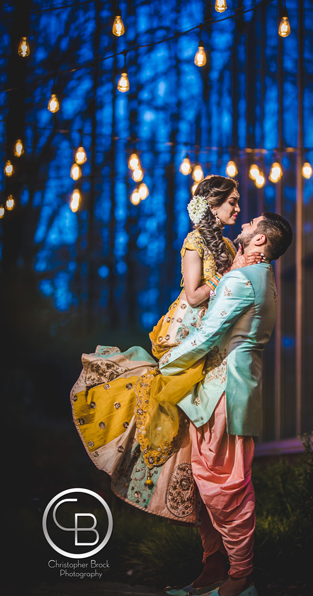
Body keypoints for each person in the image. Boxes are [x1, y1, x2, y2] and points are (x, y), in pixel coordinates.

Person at [70, 176, 262, 525]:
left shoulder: (230, 248)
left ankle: (198, 498)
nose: (237, 207)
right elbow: (192, 294)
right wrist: (229, 277)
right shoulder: (194, 242)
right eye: (231, 201)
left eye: (237, 201)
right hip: (187, 331)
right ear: (213, 205)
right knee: (169, 402)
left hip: (214, 334)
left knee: (198, 419)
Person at [162, 212, 293, 596]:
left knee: (224, 485)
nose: (247, 220)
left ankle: (240, 579)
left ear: (261, 241)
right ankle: (214, 569)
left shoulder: (243, 279)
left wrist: (165, 365)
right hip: (228, 389)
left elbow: (206, 335)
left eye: (255, 223)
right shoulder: (261, 278)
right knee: (206, 483)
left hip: (226, 392)